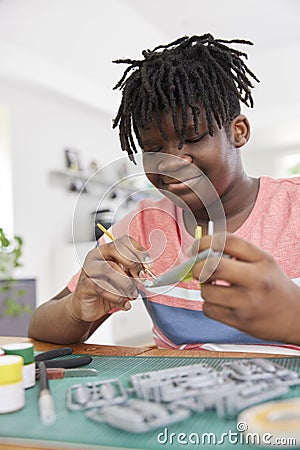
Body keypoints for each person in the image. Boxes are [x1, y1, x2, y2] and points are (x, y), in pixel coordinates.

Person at [28, 34, 300, 346]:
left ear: (238, 132)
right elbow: (39, 327)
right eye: (155, 148)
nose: (170, 163)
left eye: (195, 138)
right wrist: (76, 311)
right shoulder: (142, 229)